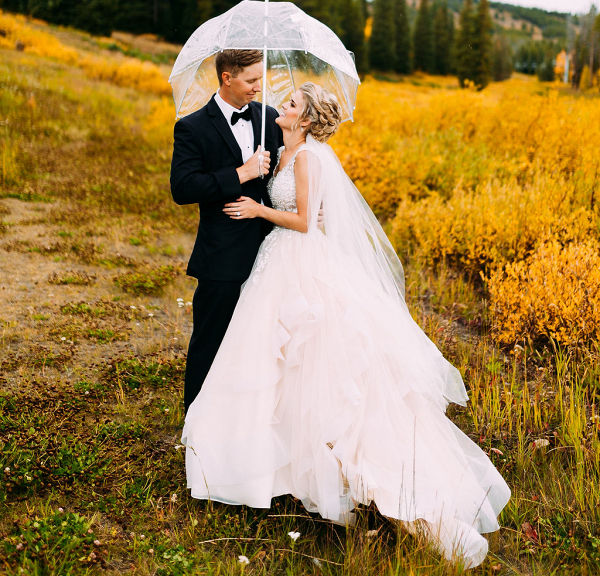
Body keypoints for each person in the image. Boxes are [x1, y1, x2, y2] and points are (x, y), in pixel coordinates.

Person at [181, 82, 510, 569]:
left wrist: (257, 208)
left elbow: (306, 222)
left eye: (291, 104)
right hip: (276, 262)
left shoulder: (311, 158)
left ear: (307, 120)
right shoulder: (282, 150)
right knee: (278, 367)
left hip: (298, 259)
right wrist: (255, 172)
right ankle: (275, 470)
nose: (281, 107)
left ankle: (385, 491)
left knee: (312, 365)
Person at [170, 49, 282, 413]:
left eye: (260, 79)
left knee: (263, 342)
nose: (258, 87)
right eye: (251, 80)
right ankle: (197, 424)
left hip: (273, 253)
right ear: (227, 78)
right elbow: (183, 188)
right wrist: (240, 174)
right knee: (211, 341)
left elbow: (290, 175)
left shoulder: (270, 118)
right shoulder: (192, 126)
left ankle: (245, 419)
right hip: (221, 256)